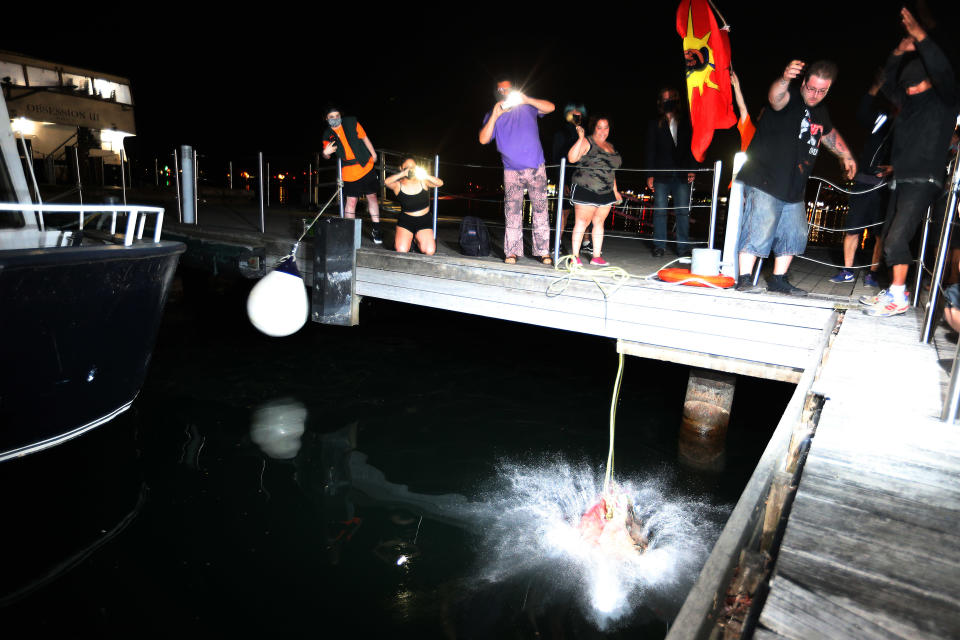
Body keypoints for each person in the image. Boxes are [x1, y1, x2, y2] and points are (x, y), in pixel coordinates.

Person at [861, 7, 957, 317]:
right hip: (900, 179)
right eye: (908, 86)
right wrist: (897, 52)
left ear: (928, 81)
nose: (911, 90)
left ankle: (899, 297)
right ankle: (893, 290)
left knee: (897, 238)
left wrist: (921, 37)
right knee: (889, 237)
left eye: (916, 84)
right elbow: (887, 82)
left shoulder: (945, 100)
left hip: (925, 180)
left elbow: (942, 70)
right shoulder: (906, 99)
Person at [734, 59, 857, 295]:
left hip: (794, 184)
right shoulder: (789, 96)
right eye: (811, 88)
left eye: (822, 91)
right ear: (803, 83)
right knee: (760, 225)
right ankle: (745, 278)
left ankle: (778, 279)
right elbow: (774, 97)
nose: (815, 95)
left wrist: (846, 155)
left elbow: (828, 134)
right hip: (765, 178)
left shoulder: (820, 111)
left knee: (795, 232)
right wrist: (784, 78)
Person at [479, 78, 555, 265]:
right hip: (511, 171)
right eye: (500, 89)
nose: (504, 91)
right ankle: (512, 252)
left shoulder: (527, 106)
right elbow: (483, 139)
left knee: (540, 211)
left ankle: (543, 251)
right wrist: (495, 115)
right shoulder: (493, 113)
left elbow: (551, 107)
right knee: (512, 213)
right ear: (497, 93)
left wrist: (526, 99)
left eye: (507, 88)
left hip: (536, 166)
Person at [827, 72, 894, 286]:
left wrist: (895, 167)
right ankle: (847, 270)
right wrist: (874, 88)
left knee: (880, 234)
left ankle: (873, 274)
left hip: (886, 187)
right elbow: (862, 113)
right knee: (852, 229)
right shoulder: (883, 118)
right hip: (863, 181)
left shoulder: (912, 125)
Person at [644, 88, 696, 258]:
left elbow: (692, 147)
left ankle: (683, 248)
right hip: (661, 174)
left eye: (671, 98)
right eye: (665, 99)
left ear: (676, 100)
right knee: (660, 211)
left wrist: (691, 168)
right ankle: (659, 246)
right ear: (661, 102)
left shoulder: (685, 122)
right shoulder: (654, 122)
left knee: (682, 212)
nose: (668, 102)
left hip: (681, 173)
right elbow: (650, 149)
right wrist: (650, 174)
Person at [321, 106, 383, 245]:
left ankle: (377, 229)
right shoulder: (327, 134)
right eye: (331, 116)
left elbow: (365, 137)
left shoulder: (351, 122)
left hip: (365, 165)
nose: (335, 118)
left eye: (337, 115)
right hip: (349, 171)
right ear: (326, 119)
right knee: (351, 202)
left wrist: (373, 154)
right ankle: (349, 233)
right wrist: (326, 152)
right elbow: (326, 154)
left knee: (372, 197)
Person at [566, 115, 622, 266]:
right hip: (586, 188)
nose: (603, 131)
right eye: (599, 127)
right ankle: (575, 257)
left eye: (606, 127)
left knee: (599, 223)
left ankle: (596, 257)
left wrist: (615, 191)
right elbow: (571, 158)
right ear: (594, 128)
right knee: (582, 222)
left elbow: (611, 171)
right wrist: (580, 138)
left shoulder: (610, 146)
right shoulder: (587, 141)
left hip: (606, 191)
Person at [551, 103, 591, 256]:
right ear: (567, 115)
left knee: (585, 212)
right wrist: (563, 182)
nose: (576, 116)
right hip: (567, 177)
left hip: (584, 179)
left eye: (579, 114)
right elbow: (557, 159)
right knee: (564, 212)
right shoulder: (561, 133)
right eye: (573, 113)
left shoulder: (587, 132)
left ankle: (586, 243)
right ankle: (557, 243)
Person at [384, 158, 443, 255]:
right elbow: (386, 182)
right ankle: (407, 239)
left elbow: (440, 183)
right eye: (407, 168)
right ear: (401, 168)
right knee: (401, 250)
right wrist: (403, 174)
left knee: (429, 251)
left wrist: (424, 175)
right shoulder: (398, 185)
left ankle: (416, 240)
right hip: (406, 221)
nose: (410, 170)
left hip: (424, 220)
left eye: (413, 167)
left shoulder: (423, 181)